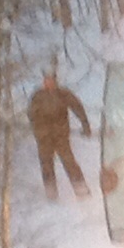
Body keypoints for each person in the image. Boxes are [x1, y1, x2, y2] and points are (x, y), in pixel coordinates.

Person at [28, 72, 92, 200]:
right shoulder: (38, 96)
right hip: (44, 138)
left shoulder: (63, 94)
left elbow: (77, 107)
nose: (48, 83)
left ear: (55, 81)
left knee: (69, 162)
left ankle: (82, 191)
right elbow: (31, 114)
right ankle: (51, 194)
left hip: (60, 136)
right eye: (46, 80)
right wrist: (38, 128)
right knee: (46, 165)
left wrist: (85, 124)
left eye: (51, 80)